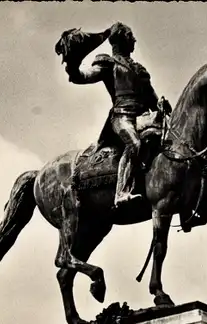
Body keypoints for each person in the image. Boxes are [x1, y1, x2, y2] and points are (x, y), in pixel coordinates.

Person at [60, 22, 171, 207]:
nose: (134, 39)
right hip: (121, 117)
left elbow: (152, 98)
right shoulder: (109, 63)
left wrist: (160, 103)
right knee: (134, 144)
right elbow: (85, 76)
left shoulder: (139, 69)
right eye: (130, 36)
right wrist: (73, 68)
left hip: (142, 118)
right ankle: (121, 192)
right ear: (122, 39)